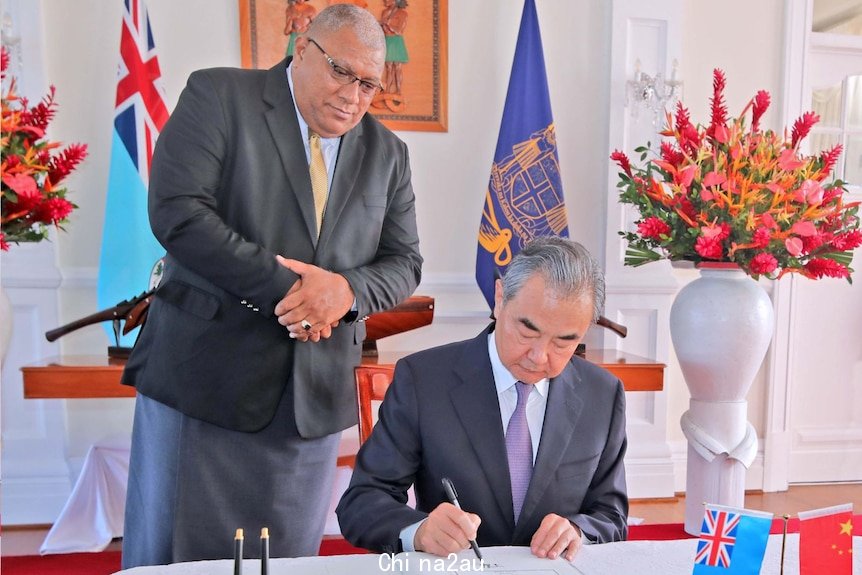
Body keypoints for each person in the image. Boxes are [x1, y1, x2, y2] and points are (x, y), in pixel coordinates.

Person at [121, 4, 422, 568]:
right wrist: (293, 290)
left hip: (313, 401)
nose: (353, 96)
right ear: (302, 48)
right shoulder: (218, 97)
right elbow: (179, 212)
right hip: (205, 383)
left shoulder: (389, 153)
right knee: (185, 557)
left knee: (287, 560)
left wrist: (344, 292)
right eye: (341, 72)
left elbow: (405, 262)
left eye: (369, 85)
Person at [336, 237, 627, 562]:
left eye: (564, 342)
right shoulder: (424, 380)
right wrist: (419, 532)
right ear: (500, 299)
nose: (539, 356)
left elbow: (610, 516)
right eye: (528, 331)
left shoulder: (602, 394)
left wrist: (577, 530)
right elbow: (361, 502)